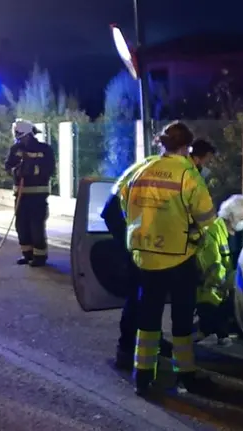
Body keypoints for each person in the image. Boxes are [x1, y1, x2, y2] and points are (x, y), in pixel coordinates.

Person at [121, 120, 217, 396]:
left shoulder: (142, 169)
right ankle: (185, 374)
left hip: (145, 256)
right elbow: (206, 218)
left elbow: (122, 201)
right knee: (182, 320)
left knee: (148, 318)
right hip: (179, 257)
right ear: (187, 146)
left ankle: (142, 376)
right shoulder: (187, 174)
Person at [100, 154, 175, 371]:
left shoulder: (146, 165)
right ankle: (129, 350)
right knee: (140, 295)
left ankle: (145, 344)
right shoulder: (170, 172)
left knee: (143, 294)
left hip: (129, 230)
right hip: (137, 237)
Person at [195, 194, 243, 346]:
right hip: (211, 293)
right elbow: (213, 266)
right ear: (232, 217)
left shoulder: (240, 233)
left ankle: (219, 334)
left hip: (225, 291)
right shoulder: (212, 232)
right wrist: (231, 280)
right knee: (211, 321)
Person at [4, 119, 55, 267]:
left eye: (22, 137)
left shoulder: (44, 149)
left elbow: (49, 169)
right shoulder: (15, 149)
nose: (21, 140)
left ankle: (39, 257)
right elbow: (8, 166)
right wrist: (16, 171)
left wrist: (33, 170)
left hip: (38, 196)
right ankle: (27, 255)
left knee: (36, 226)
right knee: (21, 226)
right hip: (21, 196)